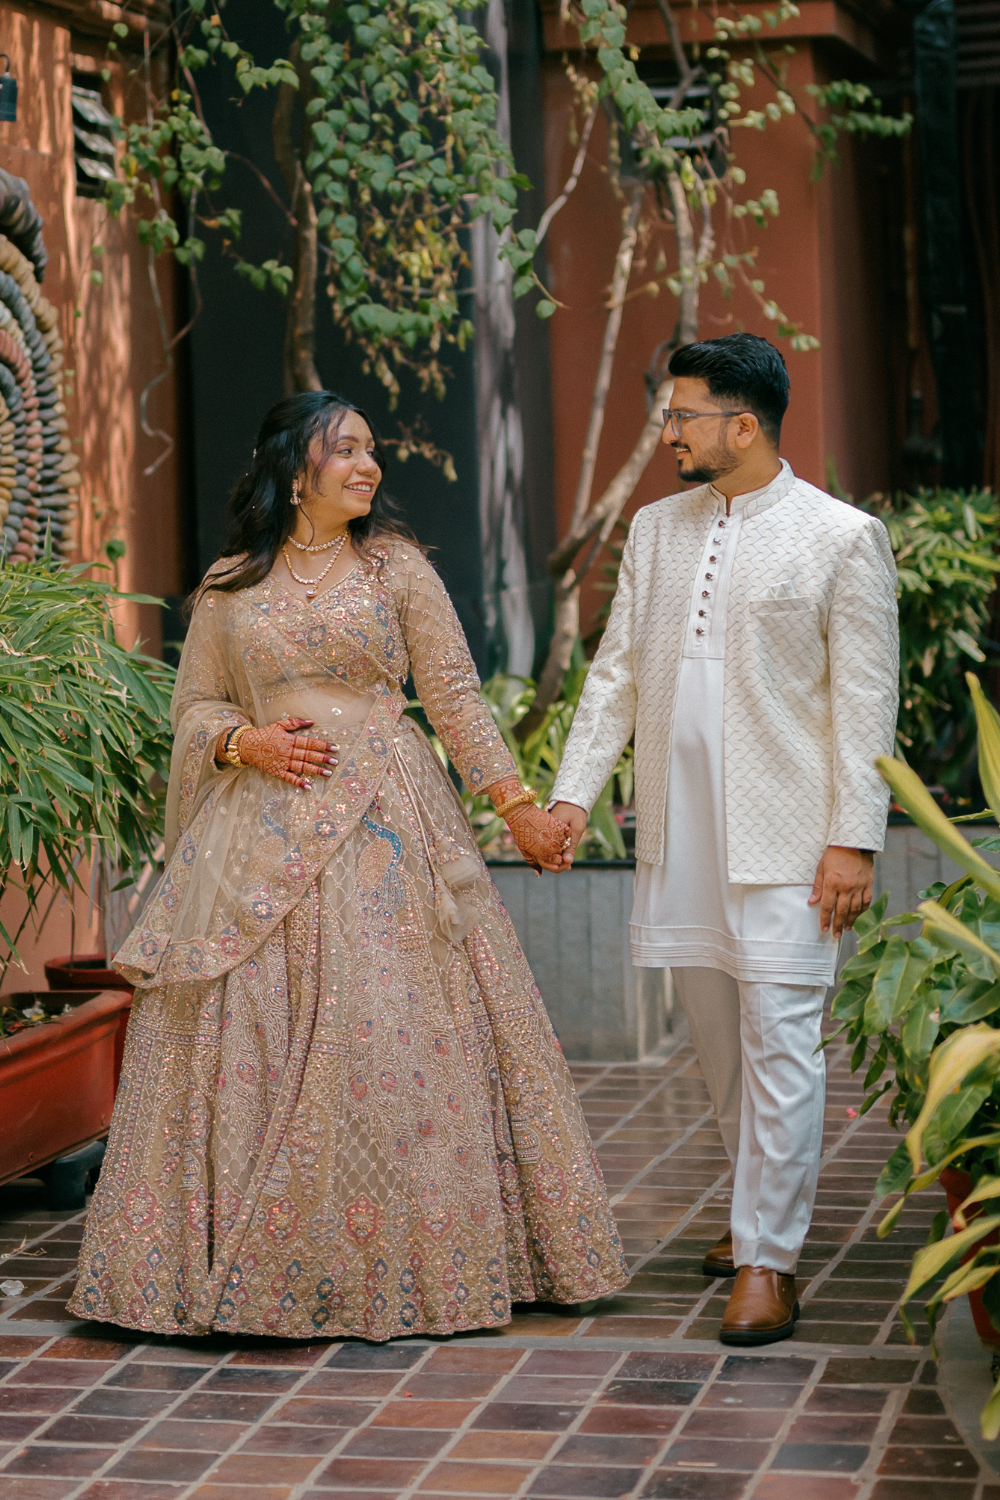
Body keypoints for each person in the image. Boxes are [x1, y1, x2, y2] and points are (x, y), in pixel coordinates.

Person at [69, 391, 628, 1341]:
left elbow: (453, 694)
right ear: (296, 472)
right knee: (242, 1027)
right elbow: (194, 709)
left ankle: (402, 1263)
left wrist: (518, 809)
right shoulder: (229, 587)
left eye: (373, 453)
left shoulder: (395, 568)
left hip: (387, 824)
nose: (369, 467)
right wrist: (245, 742)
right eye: (347, 452)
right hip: (257, 836)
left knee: (390, 1028)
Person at [550, 334, 898, 1346]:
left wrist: (853, 839)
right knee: (716, 1041)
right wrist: (574, 795)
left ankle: (767, 1260)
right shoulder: (657, 530)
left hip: (793, 836)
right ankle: (752, 1211)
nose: (668, 435)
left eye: (682, 417)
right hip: (681, 827)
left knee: (782, 1040)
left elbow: (864, 701)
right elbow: (615, 673)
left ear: (742, 426)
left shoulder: (840, 537)